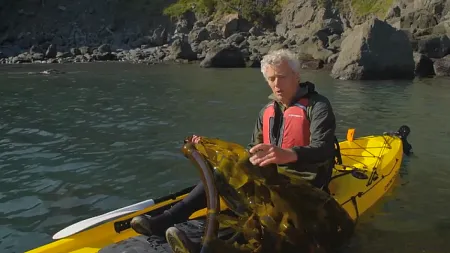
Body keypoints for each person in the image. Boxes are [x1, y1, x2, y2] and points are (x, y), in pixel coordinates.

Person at [131, 49, 339, 251]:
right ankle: (166, 220)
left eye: (282, 77)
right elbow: (250, 151)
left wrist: (290, 154)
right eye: (271, 79)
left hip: (305, 184)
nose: (276, 84)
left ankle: (209, 247)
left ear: (296, 76)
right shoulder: (267, 111)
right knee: (223, 170)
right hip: (272, 178)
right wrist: (208, 148)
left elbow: (324, 149)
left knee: (271, 217)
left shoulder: (317, 106)